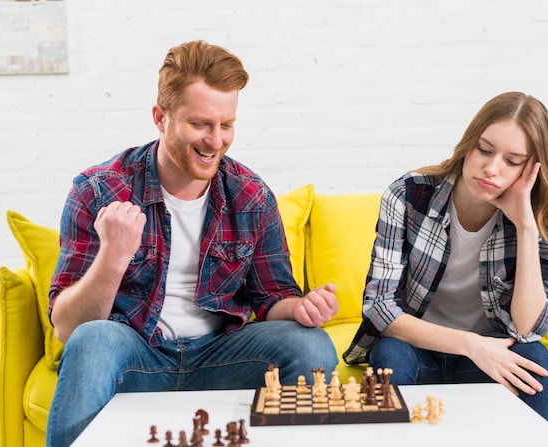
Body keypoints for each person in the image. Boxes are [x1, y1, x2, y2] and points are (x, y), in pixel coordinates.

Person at [46, 40, 339, 446]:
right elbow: (67, 328)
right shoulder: (99, 190)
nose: (216, 141)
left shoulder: (251, 195)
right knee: (93, 341)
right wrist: (113, 257)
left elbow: (272, 298)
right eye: (200, 124)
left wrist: (301, 307)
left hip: (219, 358)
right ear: (160, 117)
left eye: (227, 125)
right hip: (137, 355)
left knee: (310, 346)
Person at [343, 91, 548, 429]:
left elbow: (528, 328)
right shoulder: (407, 194)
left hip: (489, 362)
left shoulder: (537, 221)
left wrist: (524, 228)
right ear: (468, 143)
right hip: (421, 350)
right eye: (485, 150)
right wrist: (473, 345)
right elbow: (379, 308)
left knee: (535, 359)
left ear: (532, 169)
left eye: (512, 161)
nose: (491, 168)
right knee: (390, 354)